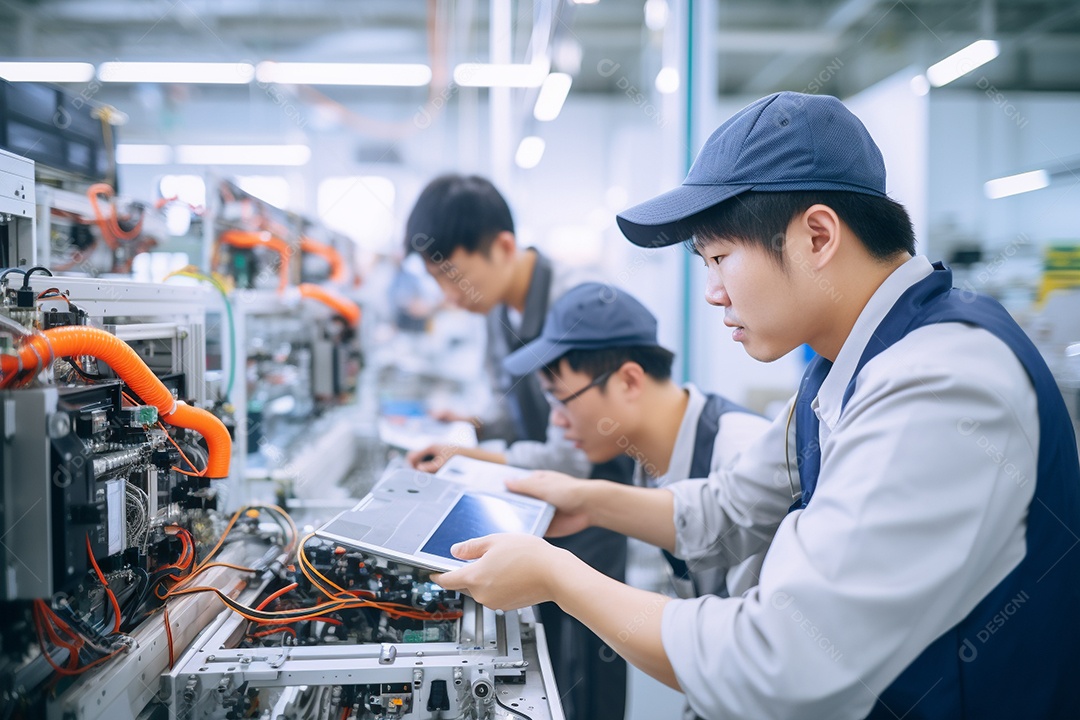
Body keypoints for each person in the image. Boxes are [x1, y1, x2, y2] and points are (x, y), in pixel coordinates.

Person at [431, 92, 1080, 719]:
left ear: (818, 236)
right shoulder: (841, 369)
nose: (712, 293)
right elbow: (727, 509)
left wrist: (558, 579)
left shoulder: (940, 382)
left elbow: (780, 662)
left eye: (718, 258)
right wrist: (589, 500)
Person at [401, 174, 631, 720]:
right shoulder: (498, 308)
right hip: (538, 501)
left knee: (588, 666)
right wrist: (474, 424)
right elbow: (513, 407)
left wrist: (471, 456)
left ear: (503, 246)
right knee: (543, 653)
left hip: (591, 506)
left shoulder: (575, 306)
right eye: (436, 279)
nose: (448, 296)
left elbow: (574, 453)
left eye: (452, 277)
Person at [502, 281, 772, 599]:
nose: (556, 420)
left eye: (561, 398)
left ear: (629, 381)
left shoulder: (743, 456)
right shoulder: (649, 462)